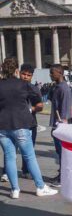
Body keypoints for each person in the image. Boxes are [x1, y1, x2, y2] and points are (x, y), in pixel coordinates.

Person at [0, 58, 58, 198]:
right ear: (16, 71)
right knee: (29, 156)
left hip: (3, 126)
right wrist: (30, 109)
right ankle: (40, 186)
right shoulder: (23, 85)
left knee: (9, 157)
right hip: (20, 124)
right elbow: (38, 102)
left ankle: (15, 189)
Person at [49, 64, 72, 188]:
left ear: (59, 73)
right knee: (60, 152)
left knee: (62, 153)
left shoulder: (64, 88)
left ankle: (63, 177)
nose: (50, 75)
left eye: (52, 73)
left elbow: (65, 110)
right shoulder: (56, 87)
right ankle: (62, 174)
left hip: (60, 125)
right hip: (56, 124)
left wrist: (60, 126)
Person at [19, 64, 44, 179]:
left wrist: (31, 109)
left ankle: (26, 169)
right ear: (19, 73)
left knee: (29, 149)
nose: (25, 77)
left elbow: (40, 106)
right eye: (23, 74)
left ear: (32, 76)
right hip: (15, 123)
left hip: (30, 123)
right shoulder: (14, 87)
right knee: (11, 149)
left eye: (28, 75)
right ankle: (6, 172)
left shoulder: (34, 89)